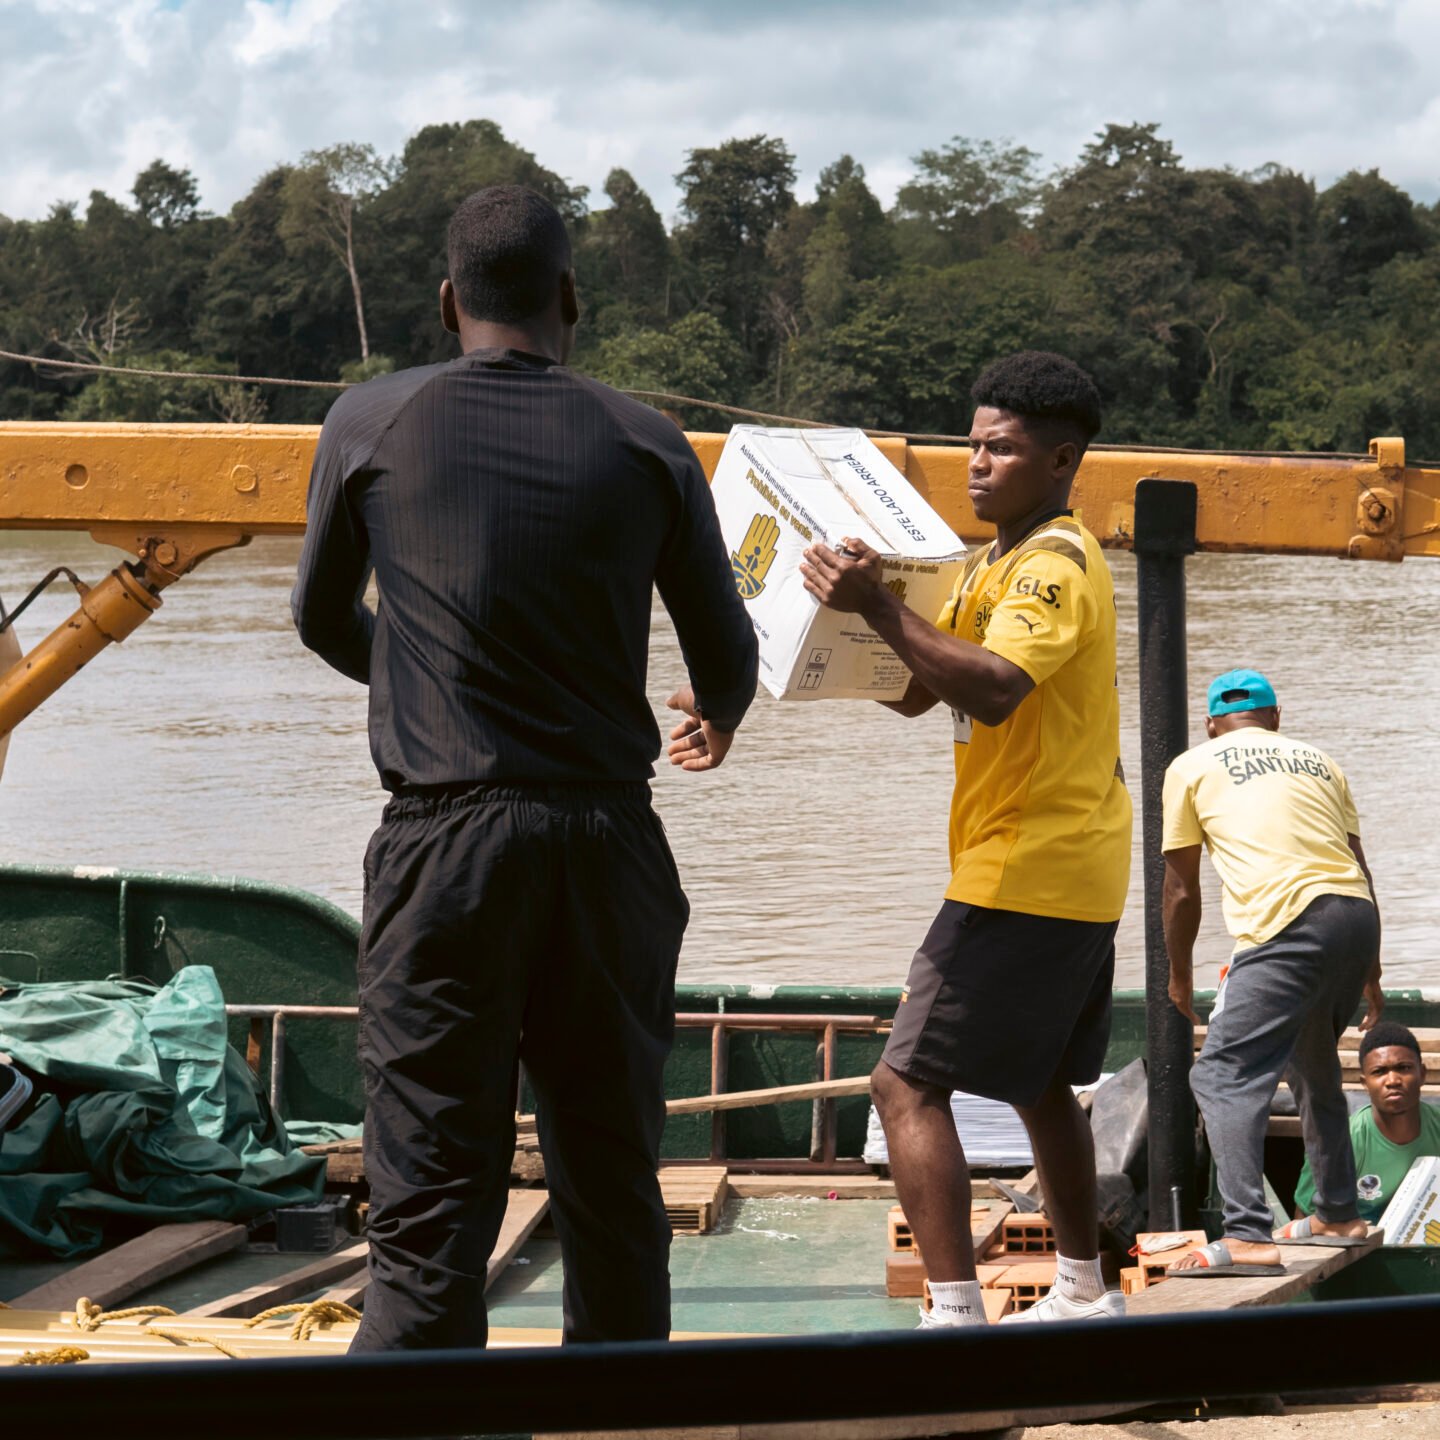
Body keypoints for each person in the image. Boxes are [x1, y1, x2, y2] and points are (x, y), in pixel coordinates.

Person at [292, 184, 759, 1351]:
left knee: (430, 1201)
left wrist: (425, 683)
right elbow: (728, 659)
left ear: (449, 301)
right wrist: (715, 715)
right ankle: (615, 1428)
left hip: (443, 847)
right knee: (611, 1183)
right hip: (607, 843)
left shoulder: (369, 420)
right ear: (571, 302)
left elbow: (317, 617)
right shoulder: (649, 441)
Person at [800, 351, 1132, 1326]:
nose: (978, 463)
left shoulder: (1054, 566)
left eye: (1004, 449)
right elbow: (917, 689)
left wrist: (881, 606)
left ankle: (953, 1318)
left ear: (1063, 459)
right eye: (973, 443)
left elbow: (991, 690)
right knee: (1038, 1084)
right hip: (1070, 865)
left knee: (902, 1085)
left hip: (1024, 862)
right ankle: (1081, 1292)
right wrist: (824, 627)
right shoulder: (987, 564)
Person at [1162, 670, 1382, 1275]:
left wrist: (1178, 973)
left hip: (1285, 924)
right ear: (1276, 717)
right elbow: (1357, 864)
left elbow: (1181, 888)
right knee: (1313, 1062)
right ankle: (1337, 1210)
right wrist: (1373, 968)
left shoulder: (1192, 764)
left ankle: (1248, 1235)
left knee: (1221, 1077)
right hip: (1353, 919)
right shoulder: (1321, 762)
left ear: (1211, 725)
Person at [1290, 1022, 1440, 1228]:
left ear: (1422, 1074)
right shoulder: (1340, 1140)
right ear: (1364, 1082)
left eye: (1403, 1068)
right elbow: (1305, 1217)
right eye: (1379, 1072)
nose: (1393, 1080)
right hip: (1364, 1252)